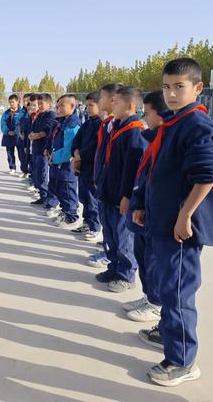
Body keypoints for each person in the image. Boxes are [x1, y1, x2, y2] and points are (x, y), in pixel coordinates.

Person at [138, 58, 213, 387]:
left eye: (180, 86)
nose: (172, 93)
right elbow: (158, 173)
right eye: (167, 87)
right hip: (163, 221)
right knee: (166, 286)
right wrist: (143, 206)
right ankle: (169, 335)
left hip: (179, 229)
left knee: (177, 293)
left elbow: (206, 177)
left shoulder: (197, 127)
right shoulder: (175, 123)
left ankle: (182, 361)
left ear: (198, 88)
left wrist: (185, 215)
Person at [96, 86, 145, 293]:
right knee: (110, 234)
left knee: (123, 237)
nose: (112, 104)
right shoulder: (116, 126)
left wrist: (127, 196)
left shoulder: (135, 131)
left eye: (116, 101)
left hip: (120, 196)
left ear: (131, 105)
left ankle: (126, 274)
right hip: (108, 191)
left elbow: (132, 169)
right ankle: (113, 267)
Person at [124, 90, 167, 323]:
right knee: (144, 256)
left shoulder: (167, 140)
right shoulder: (153, 138)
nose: (144, 117)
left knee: (154, 261)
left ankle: (156, 303)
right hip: (144, 208)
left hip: (160, 214)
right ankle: (149, 296)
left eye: (147, 113)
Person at [89, 83, 122, 268]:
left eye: (100, 98)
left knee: (119, 230)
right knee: (108, 224)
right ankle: (110, 254)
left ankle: (122, 267)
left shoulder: (121, 126)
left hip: (115, 187)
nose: (98, 101)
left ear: (112, 100)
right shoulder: (108, 123)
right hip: (103, 181)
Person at [45, 94, 81, 229]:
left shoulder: (72, 124)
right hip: (57, 163)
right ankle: (65, 212)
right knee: (59, 189)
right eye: (58, 105)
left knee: (67, 190)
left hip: (66, 165)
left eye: (62, 106)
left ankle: (72, 217)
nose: (58, 108)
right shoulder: (62, 122)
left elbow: (69, 149)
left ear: (72, 107)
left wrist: (54, 157)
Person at [71, 91, 103, 241]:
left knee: (92, 199)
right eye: (87, 105)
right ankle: (87, 222)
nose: (88, 108)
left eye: (92, 105)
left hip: (91, 167)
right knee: (83, 196)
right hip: (82, 166)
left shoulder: (100, 124)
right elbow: (77, 140)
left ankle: (95, 226)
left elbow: (94, 146)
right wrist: (76, 152)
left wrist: (80, 155)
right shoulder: (87, 123)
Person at [29, 93, 57, 207]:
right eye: (38, 103)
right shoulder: (40, 115)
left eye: (41, 103)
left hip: (42, 150)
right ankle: (42, 196)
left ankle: (46, 198)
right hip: (36, 148)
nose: (39, 106)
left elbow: (46, 131)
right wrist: (31, 135)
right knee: (37, 174)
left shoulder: (50, 115)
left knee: (43, 174)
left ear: (49, 104)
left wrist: (35, 136)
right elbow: (33, 129)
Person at [0, 94, 22, 175]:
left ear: (17, 102)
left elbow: (20, 123)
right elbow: (3, 124)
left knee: (21, 153)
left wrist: (15, 132)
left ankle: (24, 169)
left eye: (13, 102)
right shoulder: (6, 113)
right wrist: (8, 131)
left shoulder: (21, 112)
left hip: (18, 136)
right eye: (10, 102)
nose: (11, 104)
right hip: (8, 136)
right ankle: (12, 167)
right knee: (9, 153)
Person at [16, 93, 31, 179]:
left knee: (29, 156)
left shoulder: (31, 112)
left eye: (27, 101)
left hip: (28, 138)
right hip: (21, 138)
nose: (25, 103)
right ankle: (24, 171)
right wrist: (19, 134)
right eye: (24, 101)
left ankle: (30, 172)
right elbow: (17, 123)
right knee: (21, 155)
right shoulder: (21, 111)